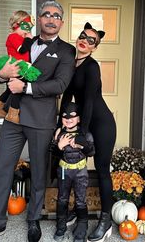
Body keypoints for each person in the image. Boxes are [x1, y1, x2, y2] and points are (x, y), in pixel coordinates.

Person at [0, 0, 76, 242]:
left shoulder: (67, 51)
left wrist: (26, 87)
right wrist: (1, 75)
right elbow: (8, 65)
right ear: (39, 19)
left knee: (38, 172)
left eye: (56, 16)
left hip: (41, 120)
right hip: (13, 117)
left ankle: (33, 220)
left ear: (61, 22)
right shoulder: (24, 41)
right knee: (4, 166)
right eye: (46, 14)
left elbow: (59, 84)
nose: (51, 19)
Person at [58, 22, 117, 242]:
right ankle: (80, 210)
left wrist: (82, 133)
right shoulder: (72, 64)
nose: (85, 40)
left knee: (102, 170)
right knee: (78, 166)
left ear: (94, 47)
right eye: (83, 36)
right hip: (85, 123)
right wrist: (59, 124)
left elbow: (90, 101)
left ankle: (106, 220)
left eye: (91, 40)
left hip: (101, 124)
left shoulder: (92, 66)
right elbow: (67, 96)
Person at [50, 102, 94, 242]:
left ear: (79, 118)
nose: (68, 119)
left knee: (81, 200)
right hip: (64, 170)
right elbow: (51, 152)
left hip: (80, 172)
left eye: (73, 117)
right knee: (62, 198)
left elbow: (92, 151)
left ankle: (81, 229)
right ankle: (61, 226)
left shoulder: (85, 133)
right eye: (65, 117)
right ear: (61, 118)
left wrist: (82, 146)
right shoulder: (58, 133)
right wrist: (59, 146)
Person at [0, 10, 37, 124]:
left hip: (20, 64)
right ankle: (12, 114)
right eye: (25, 27)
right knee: (18, 90)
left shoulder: (19, 37)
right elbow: (22, 49)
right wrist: (29, 39)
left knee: (9, 89)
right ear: (17, 25)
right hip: (17, 65)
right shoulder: (13, 37)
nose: (27, 31)